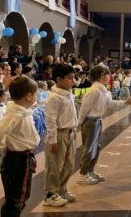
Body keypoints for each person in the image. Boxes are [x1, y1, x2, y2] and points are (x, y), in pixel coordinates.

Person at [0, 76, 40, 217]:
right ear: (29, 96)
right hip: (18, 160)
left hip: (23, 157)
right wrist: (6, 150)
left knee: (20, 196)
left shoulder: (22, 110)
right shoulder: (15, 115)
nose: (37, 97)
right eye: (36, 94)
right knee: (17, 198)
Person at [77, 66, 131, 184]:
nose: (109, 77)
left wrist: (124, 102)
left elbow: (111, 104)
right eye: (107, 75)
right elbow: (83, 109)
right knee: (89, 148)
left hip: (97, 121)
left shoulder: (104, 91)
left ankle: (90, 170)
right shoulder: (94, 91)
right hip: (90, 122)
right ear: (102, 76)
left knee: (96, 147)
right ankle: (83, 173)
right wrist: (79, 124)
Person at [43, 64, 78, 207]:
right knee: (54, 165)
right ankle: (50, 194)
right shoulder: (54, 97)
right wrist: (52, 140)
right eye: (70, 78)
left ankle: (61, 189)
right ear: (58, 79)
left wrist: (74, 131)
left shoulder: (69, 93)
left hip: (70, 132)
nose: (73, 81)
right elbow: (50, 120)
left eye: (74, 77)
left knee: (68, 164)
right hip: (58, 134)